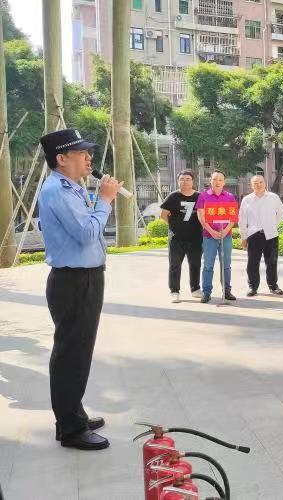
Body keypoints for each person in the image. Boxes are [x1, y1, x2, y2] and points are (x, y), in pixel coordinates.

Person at [38, 128, 122, 450]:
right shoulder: (56, 191)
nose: (89, 158)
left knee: (79, 351)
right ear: (61, 159)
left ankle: (74, 415)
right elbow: (86, 233)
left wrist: (100, 199)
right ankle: (71, 429)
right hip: (73, 281)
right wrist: (105, 200)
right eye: (81, 153)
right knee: (70, 354)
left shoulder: (71, 187)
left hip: (85, 278)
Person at [240, 174, 283, 297]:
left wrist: (272, 224)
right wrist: (243, 237)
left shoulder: (273, 197)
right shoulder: (247, 200)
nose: (258, 185)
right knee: (252, 263)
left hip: (271, 234)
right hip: (253, 235)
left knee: (272, 262)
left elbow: (282, 213)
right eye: (255, 183)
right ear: (251, 185)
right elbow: (242, 220)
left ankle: (273, 286)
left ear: (265, 183)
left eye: (260, 182)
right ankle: (252, 287)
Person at [160, 170, 203, 303]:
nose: (185, 182)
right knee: (175, 265)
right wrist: (174, 227)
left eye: (188, 179)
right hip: (176, 239)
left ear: (193, 181)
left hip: (195, 238)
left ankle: (195, 289)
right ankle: (174, 291)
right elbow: (163, 215)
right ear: (178, 181)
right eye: (182, 179)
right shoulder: (173, 196)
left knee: (195, 264)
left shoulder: (200, 196)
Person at [196, 170, 238, 303]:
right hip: (209, 237)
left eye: (220, 180)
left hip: (226, 236)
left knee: (226, 265)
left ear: (224, 182)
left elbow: (233, 217)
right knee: (208, 265)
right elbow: (201, 216)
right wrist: (211, 231)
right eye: (214, 179)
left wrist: (225, 231)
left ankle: (227, 291)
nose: (217, 182)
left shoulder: (230, 197)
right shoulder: (203, 196)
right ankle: (206, 292)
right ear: (210, 181)